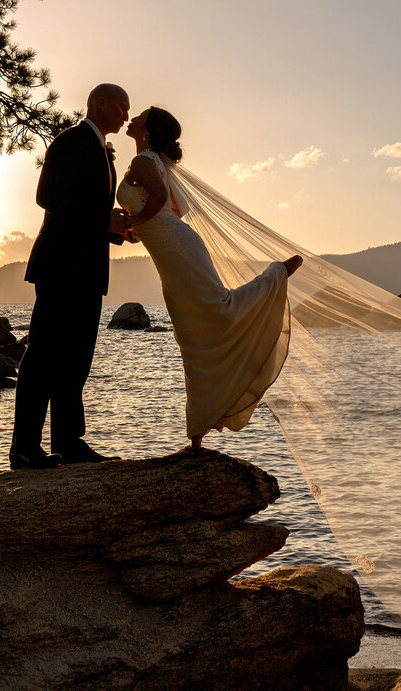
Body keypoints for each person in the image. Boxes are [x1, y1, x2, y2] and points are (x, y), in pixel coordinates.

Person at [117, 107, 303, 448]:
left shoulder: (145, 161)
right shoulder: (151, 161)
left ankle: (276, 274)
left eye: (140, 115)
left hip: (178, 247)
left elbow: (158, 202)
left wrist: (134, 222)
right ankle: (198, 433)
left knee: (215, 312)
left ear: (148, 128)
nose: (132, 118)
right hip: (172, 248)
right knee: (192, 332)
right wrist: (138, 226)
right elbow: (170, 209)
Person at [9, 83, 133, 468]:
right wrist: (103, 218)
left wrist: (114, 230)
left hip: (88, 271)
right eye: (122, 107)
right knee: (43, 356)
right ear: (101, 102)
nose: (126, 115)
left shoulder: (104, 155)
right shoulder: (70, 141)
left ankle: (68, 442)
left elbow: (87, 211)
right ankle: (24, 448)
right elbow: (48, 196)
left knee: (76, 361)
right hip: (61, 267)